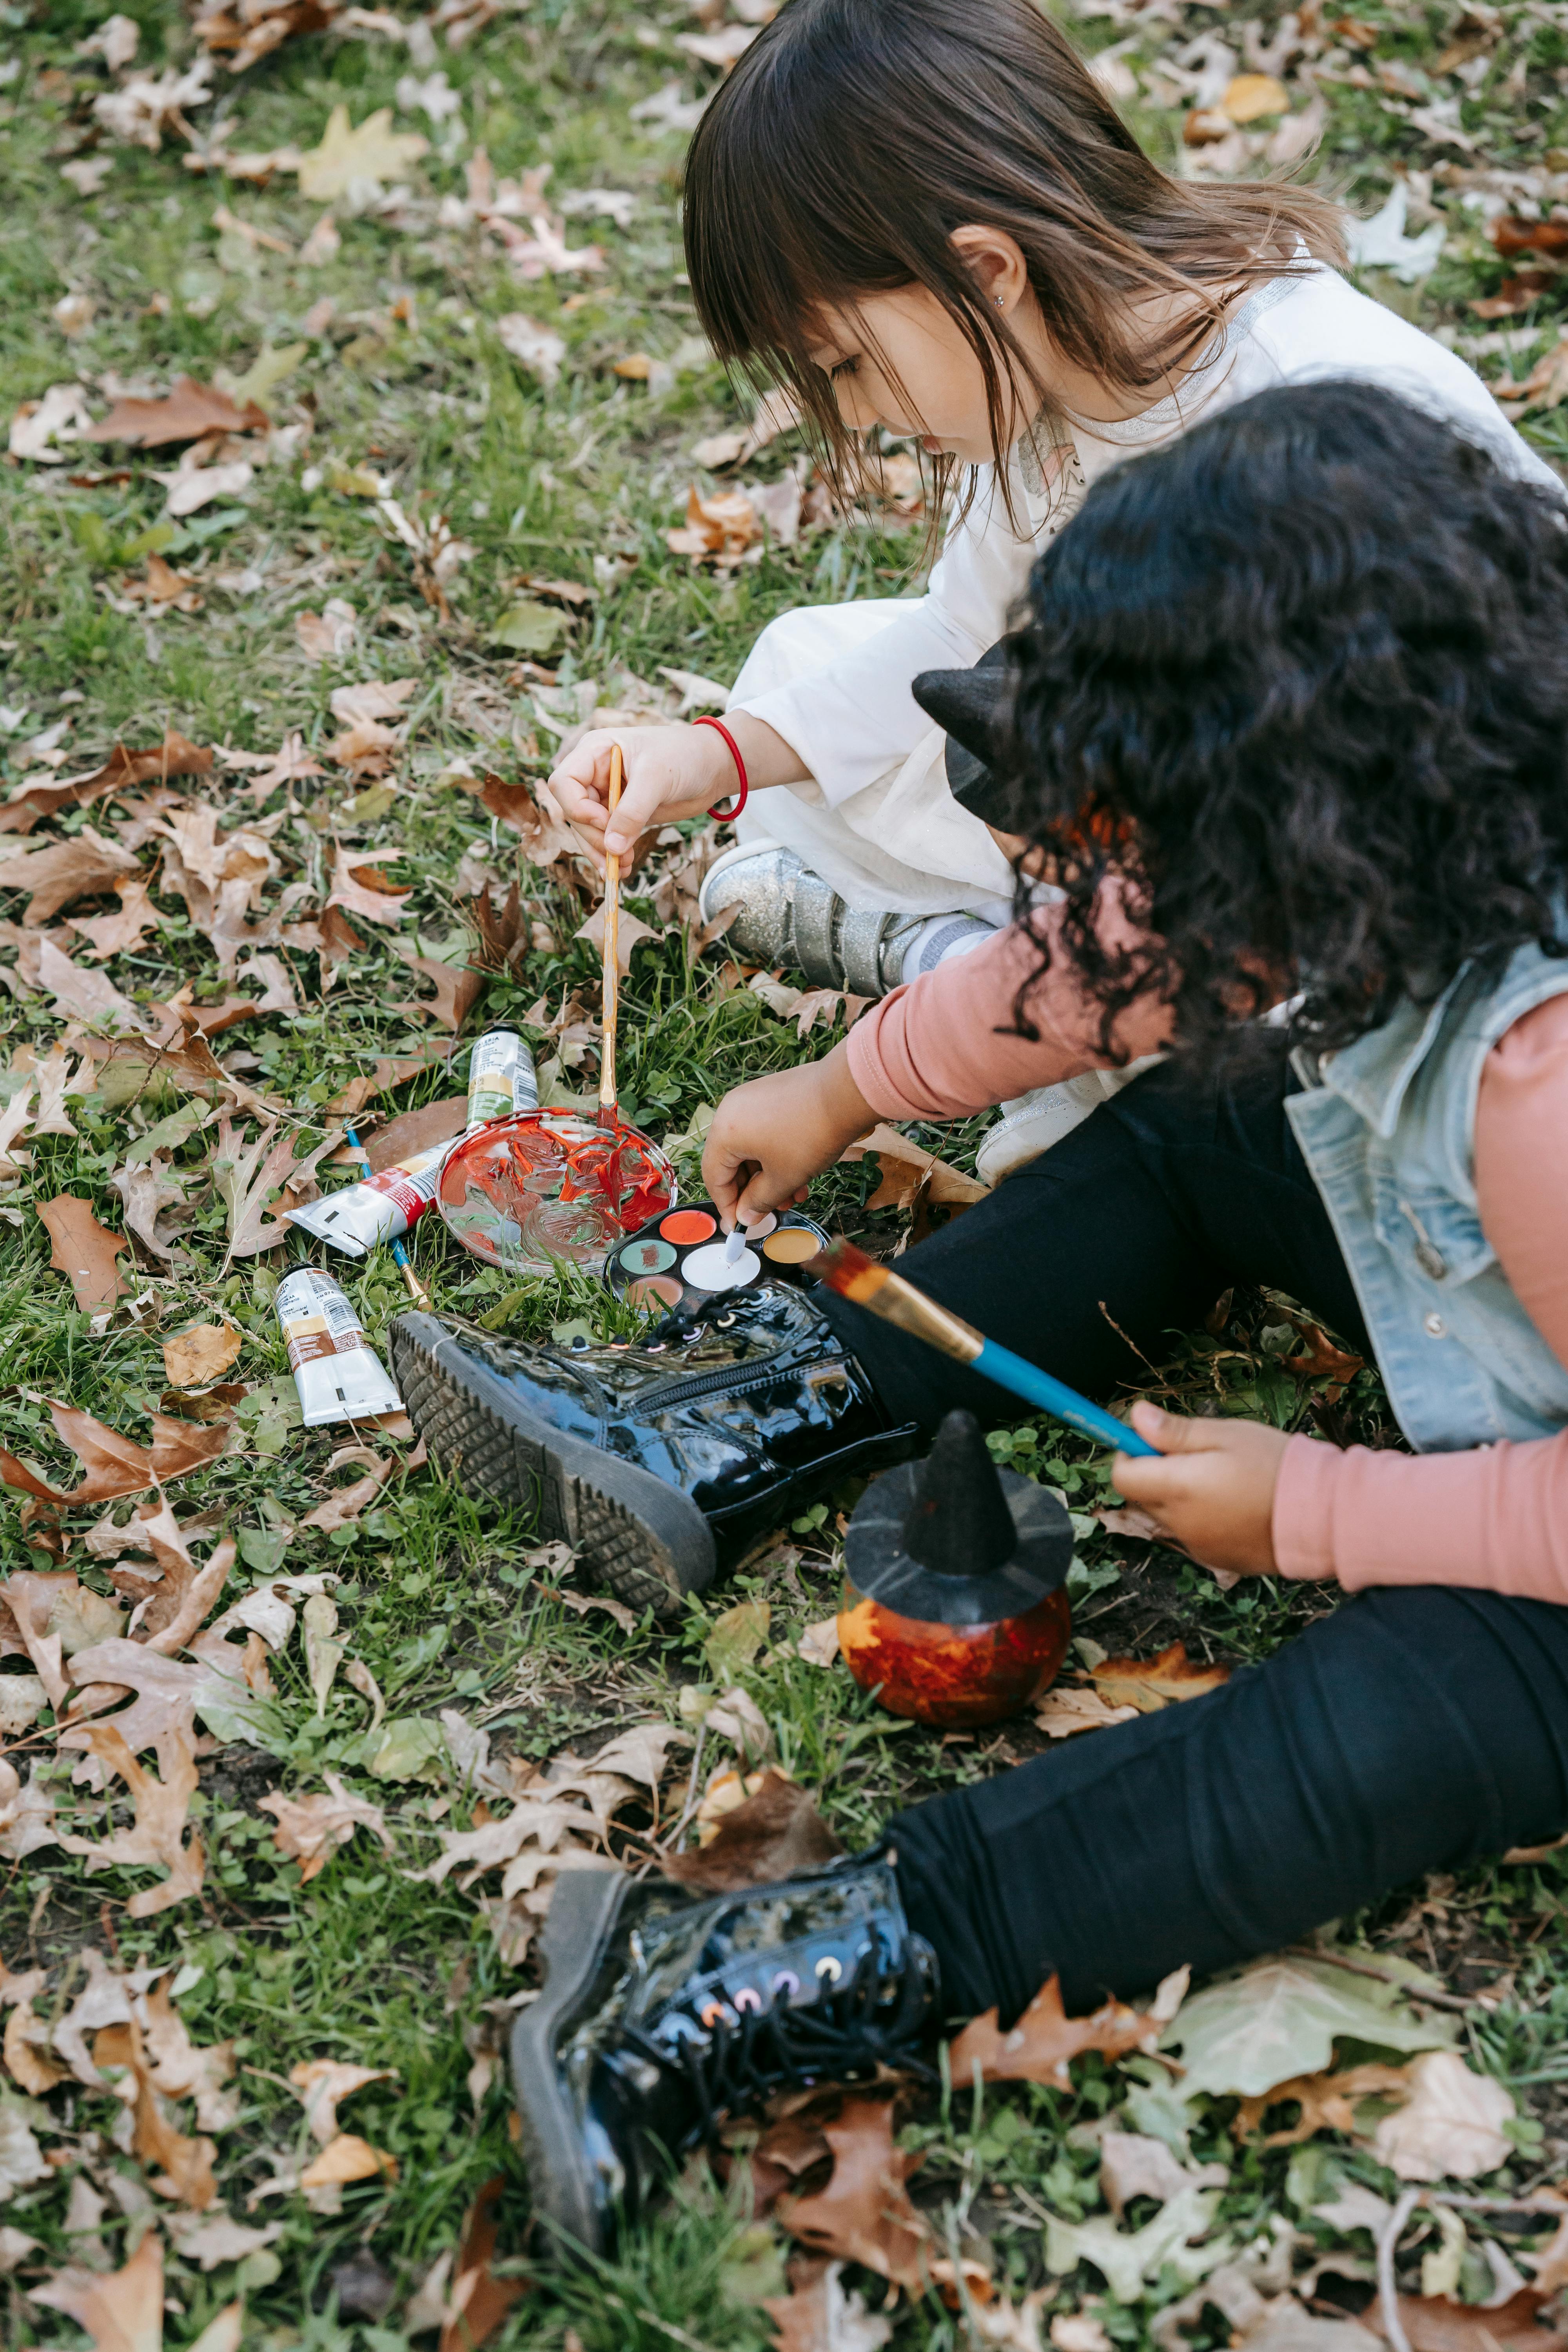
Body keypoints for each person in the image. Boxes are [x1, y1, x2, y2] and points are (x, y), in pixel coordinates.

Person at [400, 385, 1568, 2254]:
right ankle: (730, 1425)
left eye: (1151, 847)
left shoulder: (1541, 1082)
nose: (1114, 907)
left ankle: (790, 1953)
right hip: (1487, 1290)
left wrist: (1322, 1512)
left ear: (1313, 806)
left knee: (1438, 1707)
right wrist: (848, 1089)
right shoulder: (1387, 850)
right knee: (1204, 1108)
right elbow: (1105, 968)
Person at [543, 0, 1559, 1181]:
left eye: (846, 366)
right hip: (1141, 821)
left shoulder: (1316, 412)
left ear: (982, 271)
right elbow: (954, 642)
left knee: (1196, 1061)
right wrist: (711, 756)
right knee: (801, 660)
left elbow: (1421, 796)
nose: (859, 411)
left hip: (1373, 884)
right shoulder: (1029, 383)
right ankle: (980, 973)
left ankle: (1008, 999)